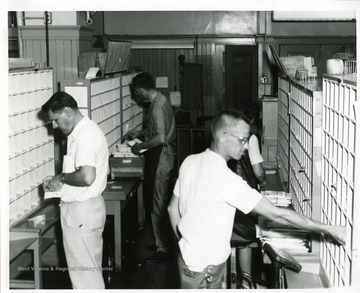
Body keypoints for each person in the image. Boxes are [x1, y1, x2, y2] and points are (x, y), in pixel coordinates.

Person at [168, 108, 346, 289]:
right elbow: (278, 215)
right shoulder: (225, 178)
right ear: (223, 137)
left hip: (188, 260)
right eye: (243, 140)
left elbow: (172, 209)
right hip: (206, 269)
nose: (246, 146)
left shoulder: (190, 161)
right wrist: (329, 229)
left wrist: (184, 244)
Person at [41, 91, 108, 289]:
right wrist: (61, 181)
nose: (54, 125)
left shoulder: (85, 135)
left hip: (80, 214)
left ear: (68, 111)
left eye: (55, 119)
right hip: (85, 212)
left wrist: (61, 177)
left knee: (85, 281)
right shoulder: (81, 132)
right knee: (89, 275)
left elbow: (87, 177)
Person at [126, 72, 176, 263]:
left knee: (157, 200)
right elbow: (156, 130)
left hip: (160, 155)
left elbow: (161, 137)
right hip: (162, 154)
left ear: (140, 90)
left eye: (136, 92)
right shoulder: (161, 99)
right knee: (158, 199)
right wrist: (141, 132)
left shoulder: (156, 107)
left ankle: (163, 248)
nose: (137, 96)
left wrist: (141, 146)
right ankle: (160, 242)